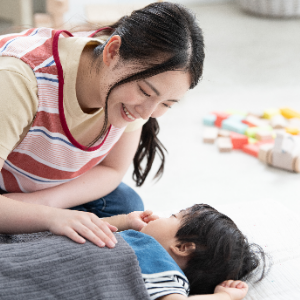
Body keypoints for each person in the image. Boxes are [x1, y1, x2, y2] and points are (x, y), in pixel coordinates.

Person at [0, 2, 205, 248]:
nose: (147, 113)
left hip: (34, 191)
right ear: (112, 51)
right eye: (144, 91)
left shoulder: (126, 92)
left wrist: (45, 205)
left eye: (167, 103)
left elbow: (112, 169)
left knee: (127, 207)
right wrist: (51, 218)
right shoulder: (19, 80)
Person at [0, 204, 268, 300]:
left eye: (173, 216)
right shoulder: (137, 242)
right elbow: (95, 231)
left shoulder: (164, 268)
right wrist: (126, 221)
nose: (160, 216)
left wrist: (222, 297)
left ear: (182, 247)